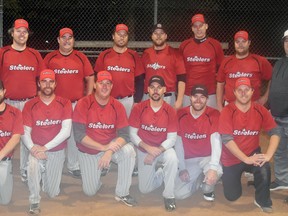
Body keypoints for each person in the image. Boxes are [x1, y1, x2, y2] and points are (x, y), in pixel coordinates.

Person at [72, 71, 136, 207]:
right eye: (101, 83)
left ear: (112, 86)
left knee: (129, 151)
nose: (105, 86)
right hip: (89, 150)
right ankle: (100, 171)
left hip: (110, 148)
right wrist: (103, 148)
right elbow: (79, 136)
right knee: (90, 191)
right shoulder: (83, 103)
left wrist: (109, 151)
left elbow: (125, 135)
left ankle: (122, 192)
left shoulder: (117, 106)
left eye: (108, 83)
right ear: (95, 85)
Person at [218, 77, 280, 213]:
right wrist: (246, 159)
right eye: (239, 90)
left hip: (252, 153)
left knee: (264, 167)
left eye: (247, 90)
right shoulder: (228, 111)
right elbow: (227, 139)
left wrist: (269, 155)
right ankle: (229, 176)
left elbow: (275, 131)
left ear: (252, 92)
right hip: (231, 159)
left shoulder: (259, 110)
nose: (243, 93)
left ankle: (262, 200)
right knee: (232, 196)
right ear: (234, 92)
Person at [44, 27, 94, 179]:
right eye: (63, 37)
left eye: (69, 37)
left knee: (72, 135)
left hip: (75, 103)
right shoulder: (50, 58)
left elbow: (90, 77)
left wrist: (88, 97)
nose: (66, 40)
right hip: (55, 103)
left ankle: (73, 165)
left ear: (73, 40)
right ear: (58, 40)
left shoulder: (80, 57)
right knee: (51, 133)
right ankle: (50, 163)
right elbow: (41, 79)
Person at [22, 69, 72, 215]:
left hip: (55, 150)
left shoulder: (65, 103)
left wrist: (45, 147)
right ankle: (34, 200)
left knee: (52, 192)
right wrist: (33, 148)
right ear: (39, 83)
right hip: (36, 150)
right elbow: (25, 131)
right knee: (33, 164)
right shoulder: (30, 104)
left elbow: (66, 131)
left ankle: (42, 173)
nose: (47, 85)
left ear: (55, 84)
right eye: (44, 81)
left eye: (51, 81)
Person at [0, 18, 44, 183]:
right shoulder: (3, 52)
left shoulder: (34, 54)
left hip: (28, 102)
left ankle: (25, 169)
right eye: (18, 30)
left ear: (28, 34)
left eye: (25, 31)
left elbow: (41, 79)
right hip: (7, 102)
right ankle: (6, 165)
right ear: (12, 33)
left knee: (26, 135)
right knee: (5, 135)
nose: (21, 34)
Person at [129, 75, 178, 211]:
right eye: (152, 88)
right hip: (145, 149)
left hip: (162, 149)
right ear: (148, 90)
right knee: (144, 189)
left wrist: (156, 151)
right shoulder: (139, 108)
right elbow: (133, 134)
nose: (155, 91)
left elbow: (172, 139)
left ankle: (169, 195)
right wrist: (147, 148)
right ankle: (162, 173)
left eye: (159, 88)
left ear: (164, 90)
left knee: (172, 157)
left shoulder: (170, 111)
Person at [174, 84, 222, 202]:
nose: (198, 100)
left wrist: (213, 168)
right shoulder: (180, 114)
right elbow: (178, 144)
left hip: (207, 158)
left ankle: (207, 185)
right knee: (178, 194)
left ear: (207, 99)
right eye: (195, 96)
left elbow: (216, 142)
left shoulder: (214, 114)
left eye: (202, 97)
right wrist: (182, 168)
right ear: (190, 98)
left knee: (214, 176)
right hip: (189, 160)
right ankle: (198, 180)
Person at [94, 23, 144, 117]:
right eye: (119, 34)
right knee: (108, 128)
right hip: (107, 99)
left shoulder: (134, 56)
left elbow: (140, 80)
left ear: (127, 38)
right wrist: (98, 98)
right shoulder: (104, 55)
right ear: (113, 36)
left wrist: (137, 101)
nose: (122, 37)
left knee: (126, 130)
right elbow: (96, 79)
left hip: (127, 100)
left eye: (124, 35)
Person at [216, 30, 272, 111]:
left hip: (252, 105)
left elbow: (272, 78)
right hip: (230, 106)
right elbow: (220, 84)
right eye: (237, 42)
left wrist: (265, 97)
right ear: (234, 43)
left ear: (249, 43)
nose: (240, 44)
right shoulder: (226, 62)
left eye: (243, 41)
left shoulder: (259, 61)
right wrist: (219, 106)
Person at [179, 14, 224, 108]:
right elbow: (180, 71)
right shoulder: (184, 45)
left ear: (206, 26)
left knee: (211, 121)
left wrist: (221, 94)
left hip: (210, 93)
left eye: (201, 25)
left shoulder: (215, 45)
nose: (198, 28)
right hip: (189, 93)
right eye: (195, 26)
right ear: (192, 28)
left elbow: (221, 71)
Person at [141, 23, 186, 109]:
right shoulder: (146, 53)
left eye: (161, 33)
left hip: (167, 97)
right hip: (148, 96)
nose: (158, 36)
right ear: (152, 36)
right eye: (155, 33)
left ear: (166, 36)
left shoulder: (175, 54)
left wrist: (179, 100)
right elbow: (141, 78)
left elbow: (182, 78)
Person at [268, 29, 288, 193]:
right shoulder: (280, 62)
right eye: (286, 41)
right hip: (277, 115)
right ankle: (282, 180)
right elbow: (274, 86)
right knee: (280, 150)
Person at [0, 80, 23, 205]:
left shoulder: (15, 112)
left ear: (4, 92)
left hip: (4, 161)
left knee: (5, 201)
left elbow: (16, 138)